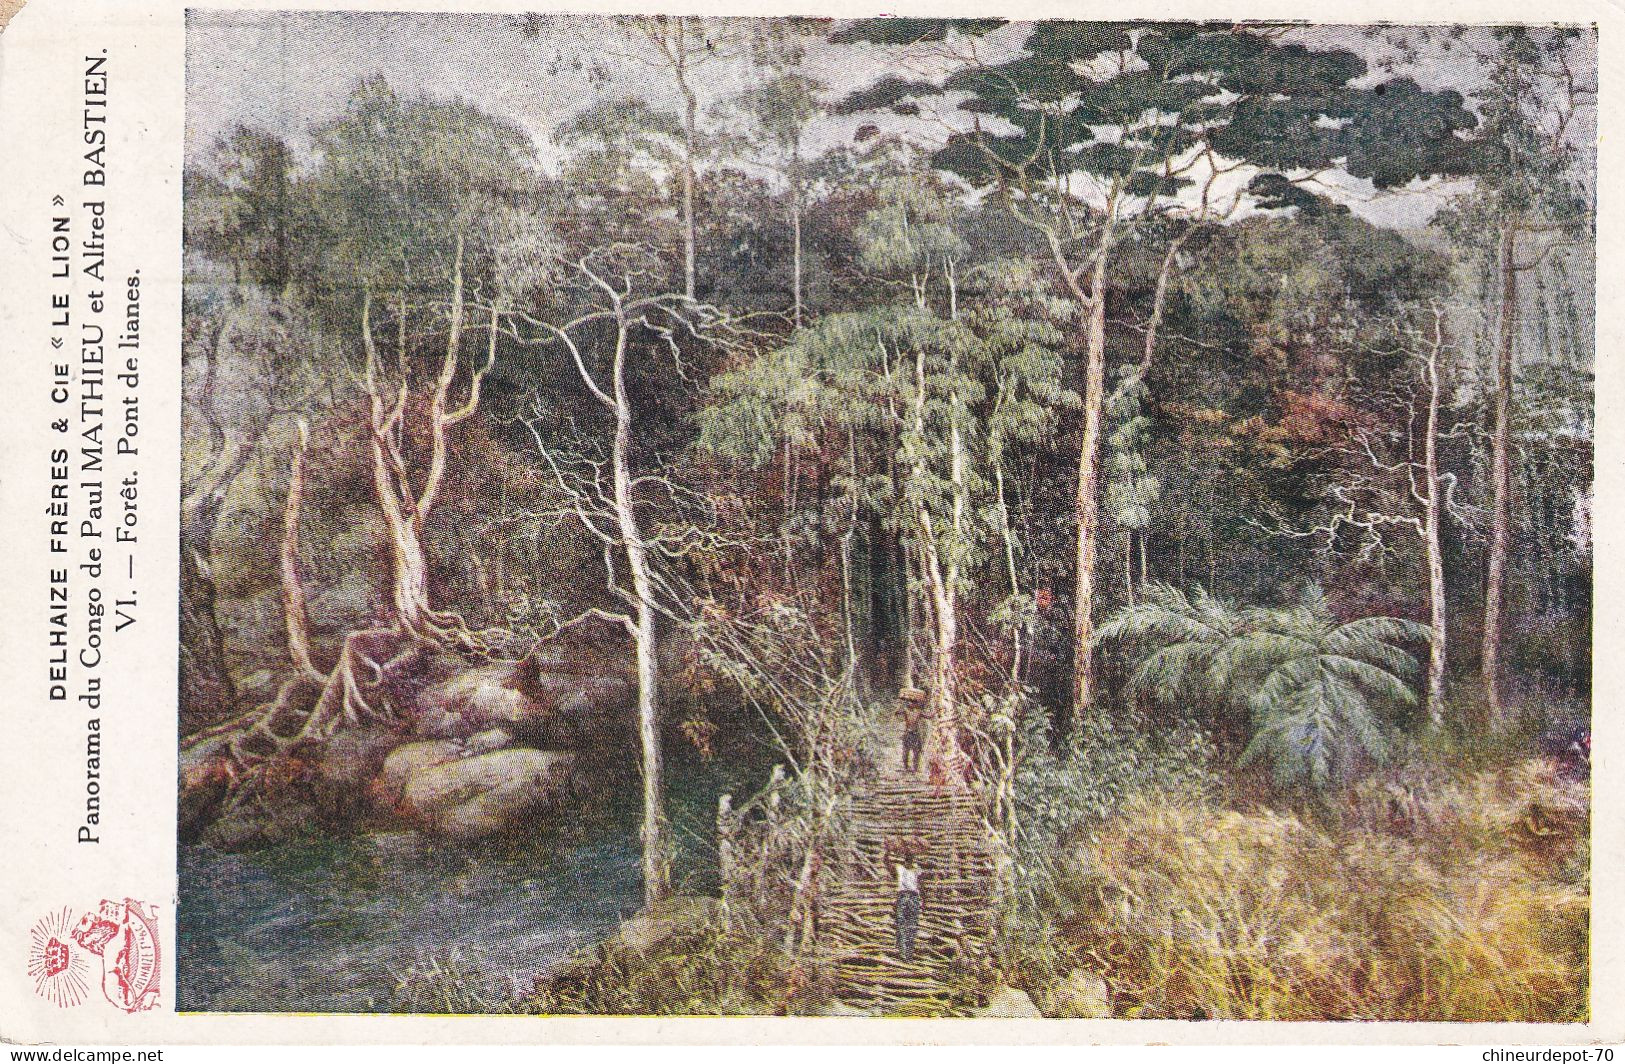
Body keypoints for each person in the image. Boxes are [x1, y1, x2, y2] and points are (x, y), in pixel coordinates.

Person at [894, 857, 921, 962]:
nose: (909, 863)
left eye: (911, 861)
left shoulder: (917, 871)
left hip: (913, 897)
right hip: (903, 896)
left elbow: (921, 884)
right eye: (907, 861)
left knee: (912, 926)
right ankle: (902, 953)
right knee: (901, 924)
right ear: (904, 861)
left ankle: (909, 954)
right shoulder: (900, 869)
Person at [899, 686, 927, 774]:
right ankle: (906, 767)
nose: (911, 703)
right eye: (910, 702)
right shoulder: (905, 710)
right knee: (906, 751)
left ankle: (915, 768)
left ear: (916, 703)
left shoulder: (919, 711)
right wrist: (900, 705)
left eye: (914, 702)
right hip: (908, 733)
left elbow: (929, 716)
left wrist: (937, 711)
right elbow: (897, 712)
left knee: (916, 752)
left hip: (915, 734)